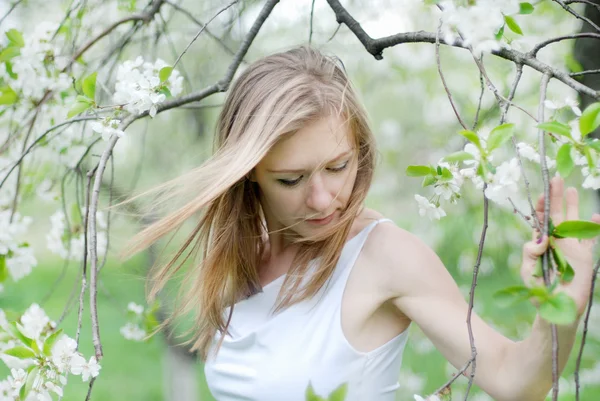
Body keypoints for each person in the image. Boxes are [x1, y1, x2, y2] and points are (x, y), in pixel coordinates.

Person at [126, 46, 600, 401]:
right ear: (249, 175)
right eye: (291, 179)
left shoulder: (384, 256)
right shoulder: (247, 258)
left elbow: (513, 379)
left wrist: (557, 312)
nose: (323, 198)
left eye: (338, 167)